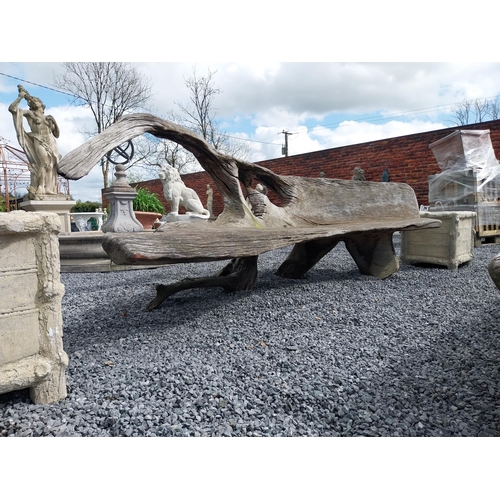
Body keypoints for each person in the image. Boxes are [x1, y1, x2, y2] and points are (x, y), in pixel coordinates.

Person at [9, 85, 61, 197]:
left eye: (36, 100)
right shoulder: (30, 114)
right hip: (39, 139)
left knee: (52, 166)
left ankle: (49, 189)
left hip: (51, 142)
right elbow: (12, 109)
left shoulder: (48, 117)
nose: (34, 101)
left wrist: (54, 122)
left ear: (42, 105)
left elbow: (56, 134)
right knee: (44, 163)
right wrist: (20, 97)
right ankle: (40, 187)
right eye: (33, 101)